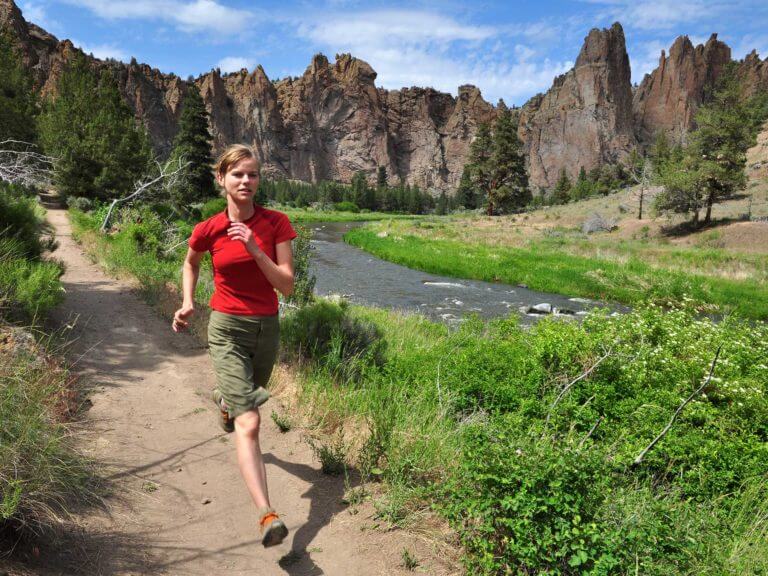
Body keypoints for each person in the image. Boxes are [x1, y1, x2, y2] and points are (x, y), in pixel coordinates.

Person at [172, 144, 296, 548]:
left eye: (253, 174)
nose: (246, 181)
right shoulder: (208, 228)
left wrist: (254, 248)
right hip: (226, 328)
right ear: (221, 179)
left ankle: (225, 400)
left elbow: (287, 285)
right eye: (238, 174)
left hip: (267, 330)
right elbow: (190, 262)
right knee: (251, 422)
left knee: (245, 402)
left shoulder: (277, 223)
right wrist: (188, 302)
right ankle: (267, 514)